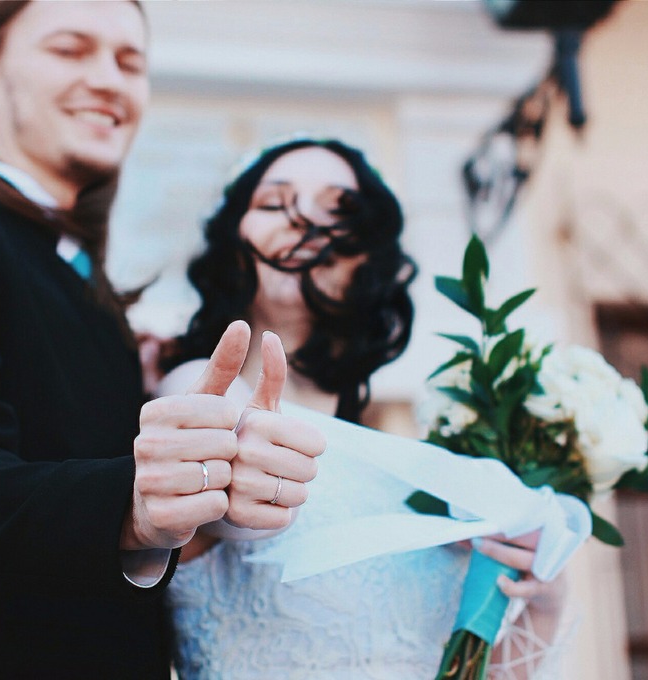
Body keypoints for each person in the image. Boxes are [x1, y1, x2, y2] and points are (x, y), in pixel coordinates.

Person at [0, 3, 324, 678]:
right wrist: (132, 507)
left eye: (130, 62)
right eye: (70, 49)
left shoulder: (83, 287)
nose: (109, 80)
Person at [156, 138, 569, 679]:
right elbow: (235, 507)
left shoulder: (415, 463)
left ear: (371, 257)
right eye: (275, 203)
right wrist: (240, 477)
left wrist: (543, 599)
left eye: (339, 210)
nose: (305, 221)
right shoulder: (197, 389)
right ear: (234, 240)